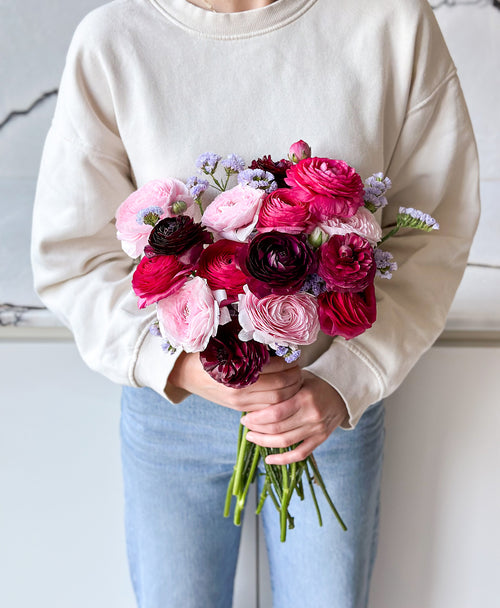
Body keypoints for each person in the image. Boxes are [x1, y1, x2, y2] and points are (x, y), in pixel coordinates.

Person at [31, 0, 480, 606]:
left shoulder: (391, 22)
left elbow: (437, 230)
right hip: (172, 415)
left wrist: (346, 380)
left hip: (328, 418)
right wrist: (181, 368)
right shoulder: (116, 40)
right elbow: (73, 256)